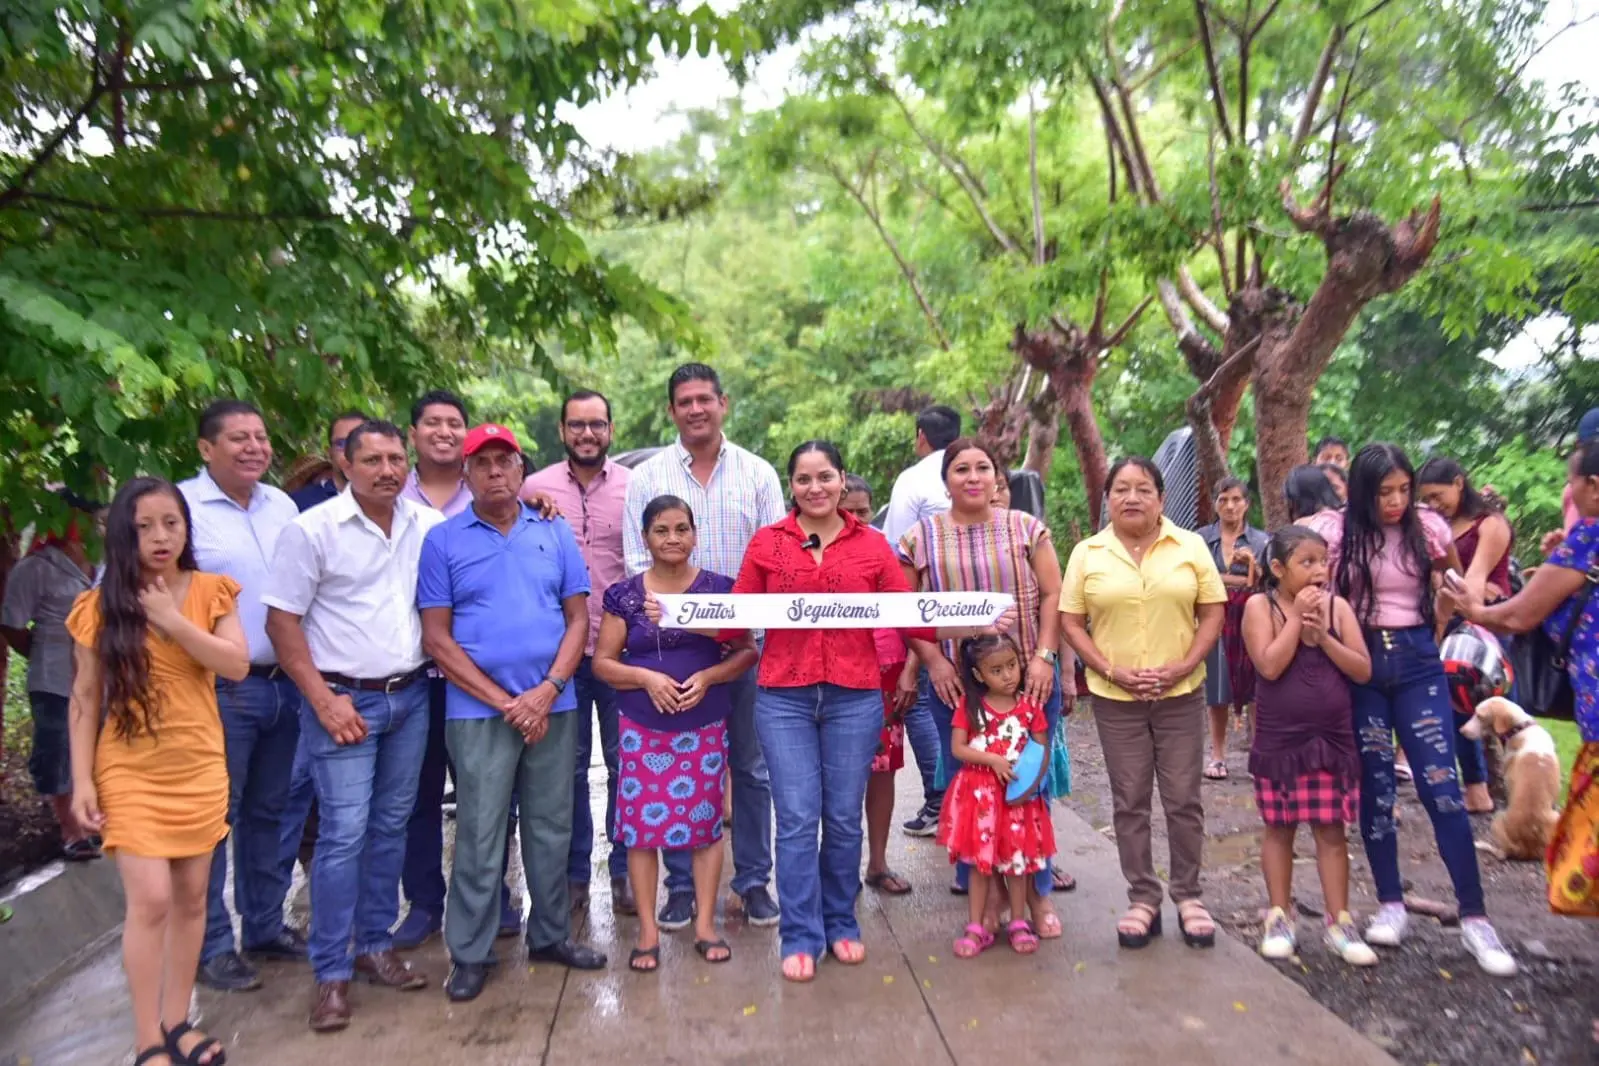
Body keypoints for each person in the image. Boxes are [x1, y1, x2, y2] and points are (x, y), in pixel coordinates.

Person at [722, 440, 945, 983]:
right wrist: (681, 608)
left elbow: (907, 611)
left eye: (825, 477)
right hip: (784, 697)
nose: (815, 488)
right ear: (790, 486)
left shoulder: (871, 545)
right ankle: (800, 933)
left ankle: (841, 921)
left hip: (854, 696)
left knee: (843, 819)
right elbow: (735, 620)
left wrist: (934, 654)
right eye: (803, 479)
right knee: (797, 818)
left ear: (842, 481)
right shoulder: (767, 544)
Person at [1302, 443, 1515, 976]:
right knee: (1376, 788)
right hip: (1365, 665)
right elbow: (1305, 574)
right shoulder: (1337, 532)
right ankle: (1391, 904)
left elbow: (1453, 580)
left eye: (1404, 489)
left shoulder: (1429, 527)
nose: (1397, 501)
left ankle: (1475, 917)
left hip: (1420, 663)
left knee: (1441, 787)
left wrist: (1442, 616)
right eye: (1385, 492)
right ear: (1363, 491)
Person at [263, 420, 443, 1031]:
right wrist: (320, 699)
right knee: (343, 834)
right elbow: (282, 623)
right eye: (373, 459)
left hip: (410, 696)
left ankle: (373, 944)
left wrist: (537, 504)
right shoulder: (311, 531)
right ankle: (331, 974)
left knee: (391, 825)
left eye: (397, 459)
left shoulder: (428, 526)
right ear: (345, 462)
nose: (388, 470)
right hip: (344, 703)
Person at [64, 477, 249, 1066]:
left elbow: (237, 665)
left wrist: (171, 619)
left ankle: (177, 1021)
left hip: (198, 764)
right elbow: (83, 699)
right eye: (144, 527)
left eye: (171, 523)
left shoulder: (213, 591)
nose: (160, 536)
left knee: (194, 899)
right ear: (123, 534)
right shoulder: (97, 609)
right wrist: (83, 782)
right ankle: (147, 1039)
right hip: (129, 767)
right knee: (150, 901)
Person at [419, 424, 605, 1002]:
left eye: (506, 461)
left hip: (555, 704)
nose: (495, 471)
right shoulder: (444, 541)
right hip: (478, 713)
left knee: (552, 825)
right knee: (480, 830)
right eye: (483, 463)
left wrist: (546, 691)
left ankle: (549, 935)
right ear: (467, 474)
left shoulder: (552, 532)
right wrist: (509, 703)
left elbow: (579, 618)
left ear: (522, 471)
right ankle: (471, 952)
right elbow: (438, 639)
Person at [621, 363, 784, 930]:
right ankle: (682, 889)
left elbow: (776, 559)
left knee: (752, 766)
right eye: (684, 401)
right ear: (671, 410)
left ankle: (755, 881)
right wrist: (676, 626)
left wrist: (739, 622)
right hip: (671, 654)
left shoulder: (758, 474)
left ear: (724, 403)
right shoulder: (647, 477)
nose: (695, 409)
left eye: (704, 399)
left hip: (745, 649)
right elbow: (637, 563)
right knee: (676, 769)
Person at [1444, 438, 1599, 1036]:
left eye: (1573, 483)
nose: (1569, 493)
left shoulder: (1590, 537)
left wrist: (1472, 610)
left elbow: (1519, 614)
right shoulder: (1582, 547)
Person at [897, 437, 1070, 932]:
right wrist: (933, 661)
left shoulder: (1027, 528)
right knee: (968, 791)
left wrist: (1045, 658)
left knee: (1030, 784)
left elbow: (1055, 594)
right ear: (945, 479)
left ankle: (1037, 897)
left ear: (998, 477)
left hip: (1028, 681)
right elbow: (906, 611)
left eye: (983, 468)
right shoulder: (919, 538)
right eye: (961, 469)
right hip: (956, 684)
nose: (973, 477)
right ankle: (987, 900)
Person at [1060, 456, 1225, 951]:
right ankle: (1142, 897)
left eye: (1143, 489)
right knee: (1129, 801)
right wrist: (1108, 670)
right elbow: (1071, 621)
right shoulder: (1088, 553)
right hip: (1116, 697)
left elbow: (1212, 611)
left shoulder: (1191, 546)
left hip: (1179, 694)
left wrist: (1184, 664)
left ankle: (1189, 896)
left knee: (1183, 799)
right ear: (1107, 499)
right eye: (1121, 489)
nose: (1132, 498)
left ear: (1161, 498)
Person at [174, 399, 308, 992]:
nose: (254, 446)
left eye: (260, 436)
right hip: (219, 689)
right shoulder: (180, 509)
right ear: (206, 449)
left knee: (268, 813)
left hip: (284, 685)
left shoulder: (281, 505)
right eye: (237, 438)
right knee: (213, 820)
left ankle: (264, 925)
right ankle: (211, 945)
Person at [593, 494, 758, 972]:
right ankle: (647, 932)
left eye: (681, 529)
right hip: (642, 727)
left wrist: (709, 677)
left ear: (695, 534)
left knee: (705, 825)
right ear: (644, 538)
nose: (672, 539)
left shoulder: (719, 591)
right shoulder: (625, 595)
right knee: (642, 831)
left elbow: (747, 650)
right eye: (661, 530)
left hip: (703, 724)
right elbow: (603, 663)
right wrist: (646, 678)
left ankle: (705, 926)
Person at [393, 390, 522, 949]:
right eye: (432, 424)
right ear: (413, 434)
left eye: (454, 423)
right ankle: (425, 903)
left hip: (489, 686)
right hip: (421, 675)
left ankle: (492, 897)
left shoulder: (514, 500)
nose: (443, 432)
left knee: (490, 797)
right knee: (419, 796)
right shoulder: (392, 496)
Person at [1241, 526, 1377, 966]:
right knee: (1279, 828)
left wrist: (1325, 640)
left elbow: (1362, 670)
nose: (1320, 571)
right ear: (1277, 569)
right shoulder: (1259, 607)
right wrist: (1298, 620)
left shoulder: (1338, 608)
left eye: (1323, 561)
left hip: (1331, 740)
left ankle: (1340, 920)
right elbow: (1269, 666)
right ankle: (1280, 915)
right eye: (1307, 562)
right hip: (1281, 738)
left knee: (1331, 830)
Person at [521, 389, 634, 917]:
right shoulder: (532, 489)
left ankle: (625, 872)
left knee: (623, 765)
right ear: (562, 431)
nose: (587, 434)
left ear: (611, 429)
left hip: (620, 651)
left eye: (597, 425)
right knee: (564, 770)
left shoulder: (636, 488)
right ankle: (573, 875)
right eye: (576, 425)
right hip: (557, 655)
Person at [939, 633, 1056, 959]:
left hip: (1018, 799)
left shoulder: (1031, 707)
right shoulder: (970, 706)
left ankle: (1019, 922)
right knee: (981, 865)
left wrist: (1028, 784)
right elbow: (958, 748)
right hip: (981, 801)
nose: (1008, 675)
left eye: (1012, 665)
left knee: (1017, 865)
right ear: (978, 675)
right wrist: (992, 759)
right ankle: (975, 926)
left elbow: (1040, 749)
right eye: (996, 670)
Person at [2, 497, 103, 860]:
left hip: (102, 678)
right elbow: (13, 624)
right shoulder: (37, 567)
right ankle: (70, 830)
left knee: (99, 749)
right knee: (58, 751)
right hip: (55, 678)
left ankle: (95, 822)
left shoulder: (104, 561)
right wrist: (44, 652)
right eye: (84, 516)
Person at [884, 405, 963, 837]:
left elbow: (898, 556)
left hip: (928, 618)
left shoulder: (913, 479)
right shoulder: (981, 469)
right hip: (986, 620)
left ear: (920, 438)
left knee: (918, 702)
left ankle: (941, 801)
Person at [1418, 455, 1513, 814]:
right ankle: (1475, 786)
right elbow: (1438, 582)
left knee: (1504, 703)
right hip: (1455, 629)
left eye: (1437, 495)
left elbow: (1468, 591)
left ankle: (1522, 783)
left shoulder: (1490, 525)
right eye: (1425, 499)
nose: (1432, 505)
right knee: (1458, 705)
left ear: (1460, 483)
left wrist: (1452, 587)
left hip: (1492, 627)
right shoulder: (1437, 528)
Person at [842, 475, 915, 896]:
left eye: (862, 511)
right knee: (834, 775)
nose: (854, 519)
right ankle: (838, 866)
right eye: (846, 511)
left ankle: (879, 862)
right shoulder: (807, 549)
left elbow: (909, 611)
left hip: (884, 669)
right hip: (831, 673)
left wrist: (909, 669)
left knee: (882, 769)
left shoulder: (886, 550)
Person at [1198, 477, 1269, 781]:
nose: (1230, 506)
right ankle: (1216, 754)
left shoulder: (1260, 541)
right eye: (1223, 499)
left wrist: (1253, 564)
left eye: (1237, 499)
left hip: (1251, 617)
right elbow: (1195, 578)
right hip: (1212, 616)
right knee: (1217, 686)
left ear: (1247, 504)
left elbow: (1269, 581)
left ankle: (1258, 752)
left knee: (1253, 684)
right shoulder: (1200, 539)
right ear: (1215, 503)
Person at [1540, 407, 1599, 556]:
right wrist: (1561, 553)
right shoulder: (1575, 491)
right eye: (1593, 448)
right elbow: (1575, 551)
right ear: (1578, 446)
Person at [289, 410, 368, 512]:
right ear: (329, 452)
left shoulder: (391, 500)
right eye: (341, 443)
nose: (350, 450)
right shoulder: (299, 504)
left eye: (358, 442)